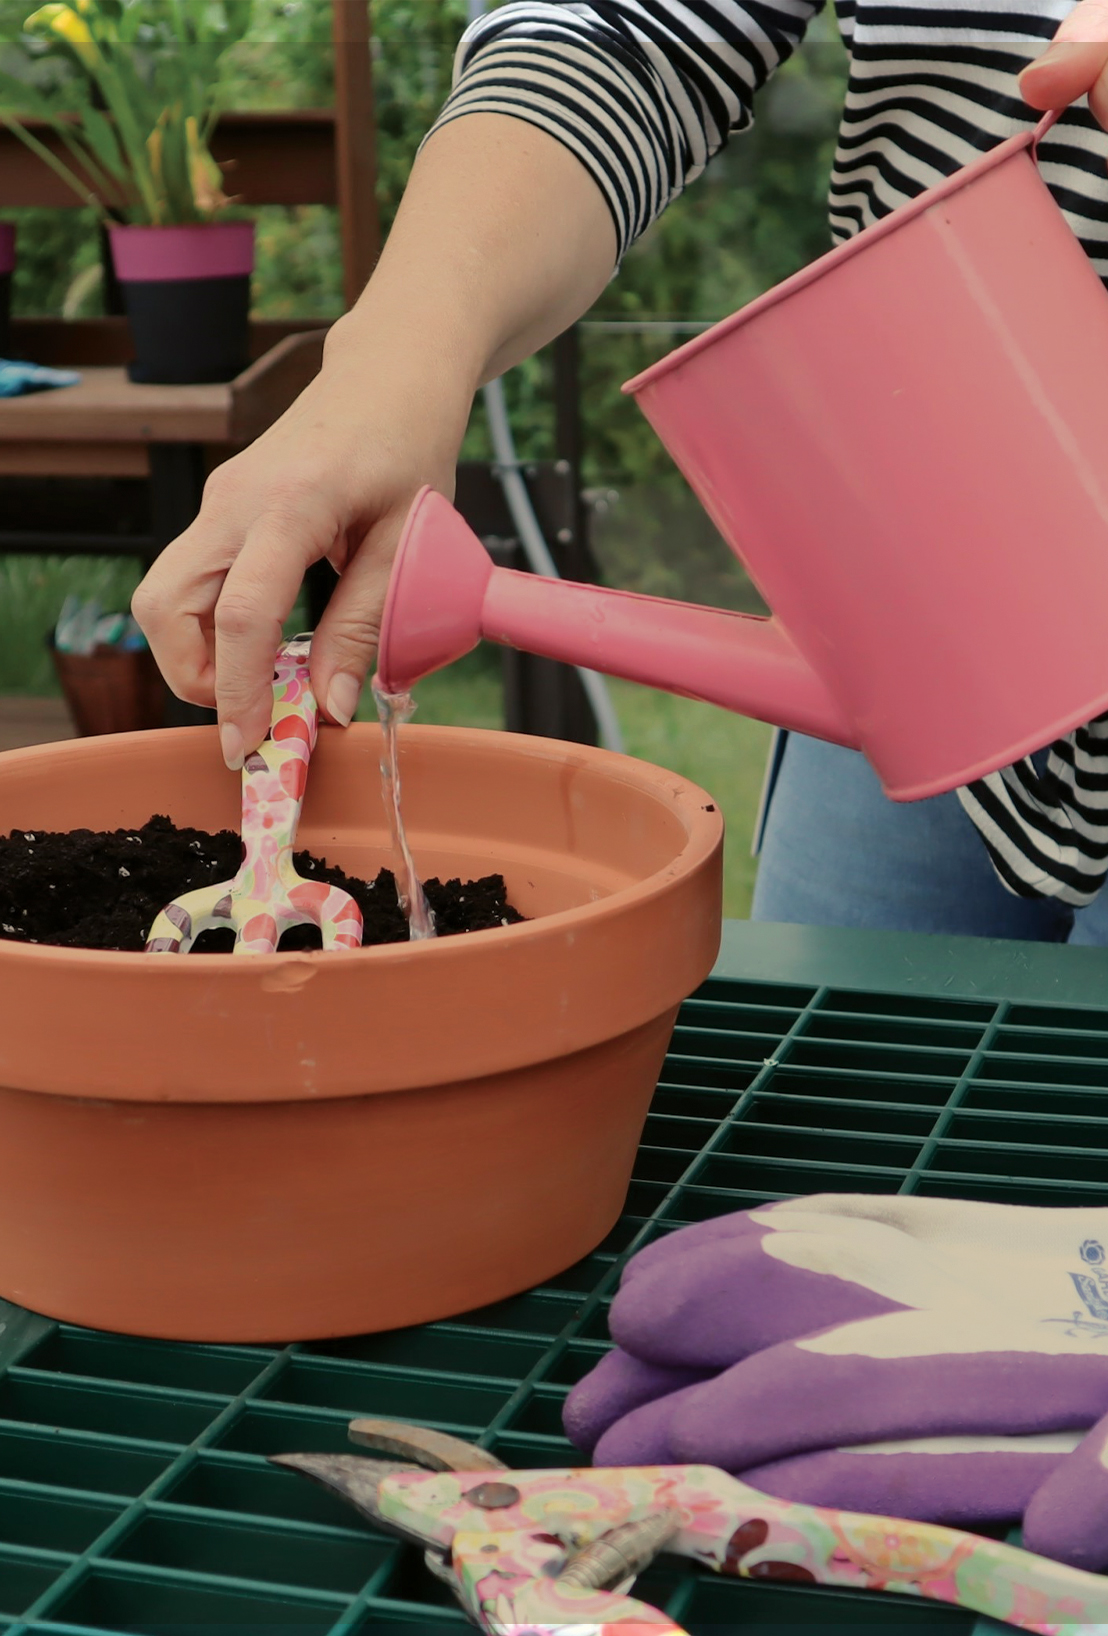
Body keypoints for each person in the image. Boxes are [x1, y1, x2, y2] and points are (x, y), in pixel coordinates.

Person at [131, 3, 1108, 944]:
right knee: (828, 1088)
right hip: (910, 623)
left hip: (956, 635)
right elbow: (623, 28)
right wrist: (389, 368)